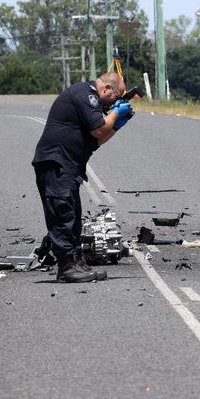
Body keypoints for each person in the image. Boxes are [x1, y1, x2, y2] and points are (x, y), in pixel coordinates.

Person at [32, 72, 133, 282]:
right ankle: (66, 267)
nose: (116, 102)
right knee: (63, 215)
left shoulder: (94, 103)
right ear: (106, 89)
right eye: (117, 97)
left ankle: (77, 262)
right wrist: (114, 116)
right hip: (56, 163)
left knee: (73, 215)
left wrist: (116, 125)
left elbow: (98, 139)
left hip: (67, 165)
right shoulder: (86, 95)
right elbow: (98, 129)